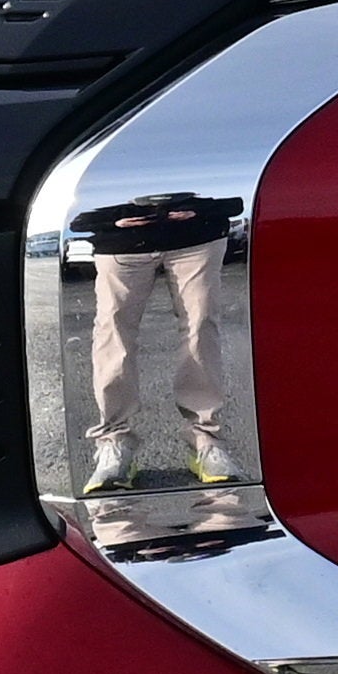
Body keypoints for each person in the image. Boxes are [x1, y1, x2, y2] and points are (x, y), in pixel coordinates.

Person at [78, 193, 242, 494]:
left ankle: (206, 440)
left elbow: (229, 178)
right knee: (112, 333)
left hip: (197, 234)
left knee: (201, 327)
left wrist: (203, 208)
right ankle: (113, 441)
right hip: (119, 238)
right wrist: (105, 218)